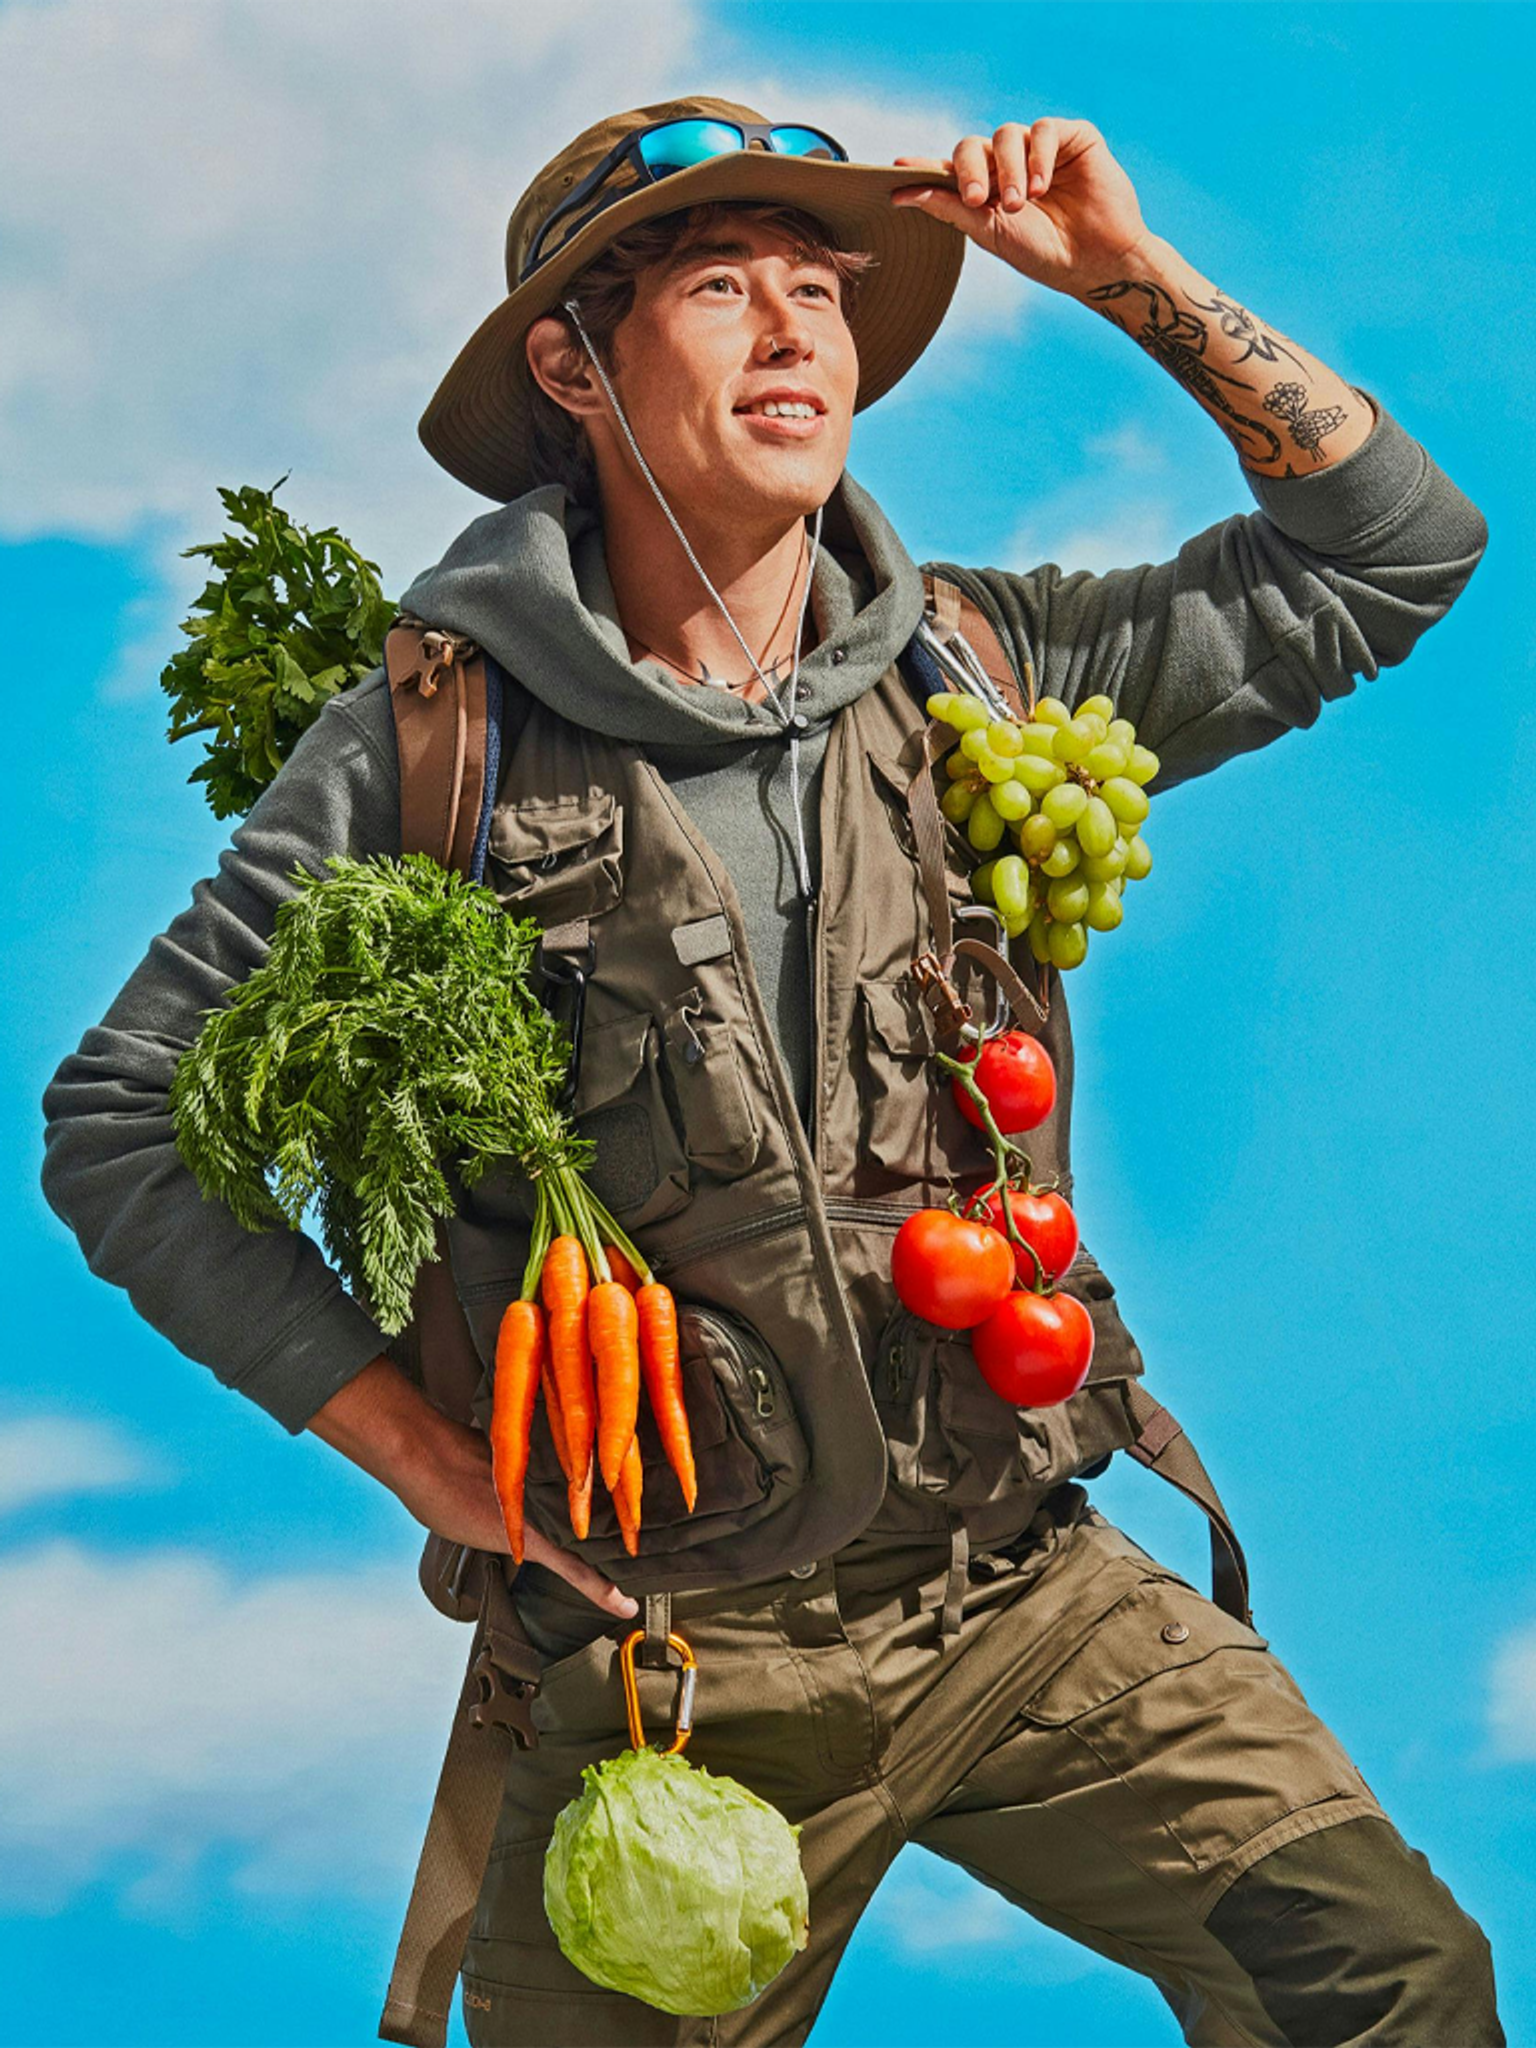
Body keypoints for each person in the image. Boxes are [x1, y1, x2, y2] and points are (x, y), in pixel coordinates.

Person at [39, 94, 1500, 2048]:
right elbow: (123, 1121)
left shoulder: (984, 667)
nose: (799, 327)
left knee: (1400, 1985)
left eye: (820, 289)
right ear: (573, 366)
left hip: (1024, 1587)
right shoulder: (425, 752)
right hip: (675, 1666)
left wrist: (1135, 282)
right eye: (725, 289)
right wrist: (429, 1461)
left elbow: (1394, 554)